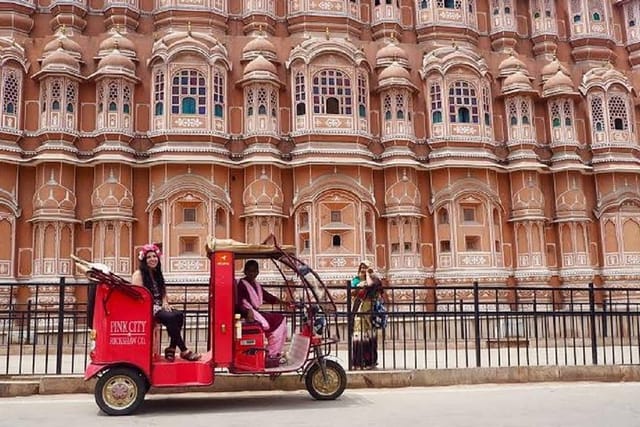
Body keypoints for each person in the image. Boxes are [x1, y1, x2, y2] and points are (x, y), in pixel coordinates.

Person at [131, 243, 201, 362]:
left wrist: (165, 303)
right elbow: (139, 296)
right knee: (171, 318)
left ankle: (172, 348)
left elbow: (163, 291)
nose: (152, 259)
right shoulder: (139, 274)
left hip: (158, 306)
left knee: (178, 315)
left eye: (154, 256)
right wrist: (155, 306)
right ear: (144, 260)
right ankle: (184, 350)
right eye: (149, 257)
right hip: (147, 308)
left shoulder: (157, 274)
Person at [236, 259, 287, 367]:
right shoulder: (241, 284)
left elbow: (267, 296)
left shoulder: (256, 285)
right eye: (249, 271)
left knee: (281, 319)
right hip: (249, 314)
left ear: (258, 272)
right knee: (277, 321)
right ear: (245, 271)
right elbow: (238, 302)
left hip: (255, 313)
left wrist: (283, 302)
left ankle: (273, 353)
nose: (252, 274)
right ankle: (271, 355)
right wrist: (247, 311)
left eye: (254, 271)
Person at [350, 260, 384, 369]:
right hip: (359, 309)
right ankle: (358, 362)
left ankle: (370, 362)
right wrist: (360, 283)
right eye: (361, 268)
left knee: (369, 337)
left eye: (366, 268)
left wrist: (368, 275)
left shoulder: (374, 279)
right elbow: (352, 290)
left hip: (369, 311)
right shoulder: (355, 280)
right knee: (359, 336)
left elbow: (371, 285)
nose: (363, 271)